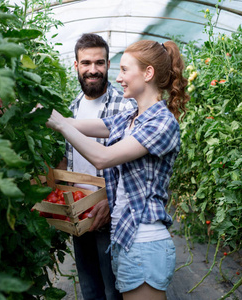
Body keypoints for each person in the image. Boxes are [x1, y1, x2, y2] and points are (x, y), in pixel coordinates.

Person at [46, 39, 189, 300]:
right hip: (126, 239)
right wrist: (40, 112)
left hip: (145, 241)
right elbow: (82, 124)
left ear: (148, 74)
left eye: (124, 70)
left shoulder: (161, 123)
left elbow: (103, 157)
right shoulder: (131, 117)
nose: (119, 78)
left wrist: (63, 127)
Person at [58, 33, 136, 300]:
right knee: (90, 289)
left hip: (111, 213)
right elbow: (68, 160)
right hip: (78, 212)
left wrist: (109, 199)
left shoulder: (125, 106)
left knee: (115, 290)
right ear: (76, 66)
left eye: (99, 63)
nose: (93, 70)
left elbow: (133, 163)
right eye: (87, 63)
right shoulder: (72, 108)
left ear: (108, 65)